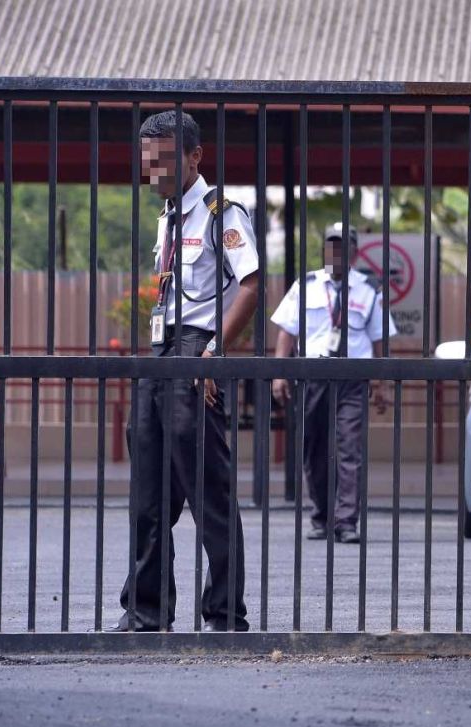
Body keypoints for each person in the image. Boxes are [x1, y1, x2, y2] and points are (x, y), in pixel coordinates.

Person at [108, 110, 259, 633]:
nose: (155, 171)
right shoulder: (168, 217)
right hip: (160, 351)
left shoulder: (223, 212)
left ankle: (223, 614)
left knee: (209, 492)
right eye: (148, 160)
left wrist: (215, 350)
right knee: (147, 493)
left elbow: (251, 285)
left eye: (166, 159)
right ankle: (146, 611)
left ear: (195, 157)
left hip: (196, 354)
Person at [270, 224, 395, 544]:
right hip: (312, 375)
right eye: (331, 247)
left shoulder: (370, 288)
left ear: (354, 252)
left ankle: (346, 521)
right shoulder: (306, 285)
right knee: (314, 448)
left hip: (353, 377)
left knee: (349, 448)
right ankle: (322, 516)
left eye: (343, 248)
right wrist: (281, 371)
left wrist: (381, 384)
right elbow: (287, 331)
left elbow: (379, 341)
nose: (336, 253)